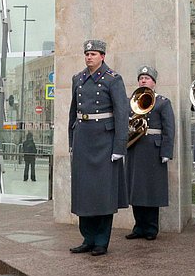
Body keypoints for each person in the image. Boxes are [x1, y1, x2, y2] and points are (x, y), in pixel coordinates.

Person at [67, 40, 129, 256]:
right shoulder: (78, 79)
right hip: (83, 139)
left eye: (93, 54)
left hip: (104, 141)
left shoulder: (113, 79)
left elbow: (122, 114)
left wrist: (119, 146)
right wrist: (71, 142)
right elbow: (73, 112)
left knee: (103, 194)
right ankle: (88, 238)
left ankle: (101, 241)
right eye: (86, 53)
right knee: (84, 193)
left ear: (102, 56)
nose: (89, 57)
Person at [124, 65, 174, 241]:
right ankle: (139, 226)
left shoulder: (162, 102)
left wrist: (166, 151)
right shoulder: (132, 101)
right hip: (136, 149)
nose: (143, 80)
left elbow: (169, 128)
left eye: (147, 78)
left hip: (153, 150)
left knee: (152, 190)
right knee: (136, 189)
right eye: (141, 78)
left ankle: (151, 228)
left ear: (154, 82)